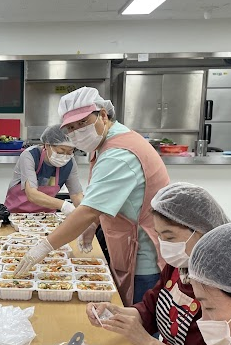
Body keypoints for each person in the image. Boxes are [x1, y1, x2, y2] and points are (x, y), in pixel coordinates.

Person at [15, 86, 170, 305]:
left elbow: (88, 210)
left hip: (144, 256)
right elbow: (107, 197)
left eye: (83, 123)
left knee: (138, 319)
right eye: (71, 128)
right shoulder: (110, 142)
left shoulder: (118, 154)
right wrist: (92, 225)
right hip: (129, 244)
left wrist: (44, 247)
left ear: (103, 115)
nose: (77, 131)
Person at [87, 183, 231, 345]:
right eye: (160, 236)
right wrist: (116, 313)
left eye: (170, 237)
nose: (164, 245)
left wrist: (147, 342)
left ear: (203, 231)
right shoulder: (179, 267)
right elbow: (150, 307)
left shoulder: (223, 291)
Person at [4, 125, 83, 214]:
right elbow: (32, 194)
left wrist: (84, 212)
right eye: (60, 152)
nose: (64, 156)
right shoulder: (30, 155)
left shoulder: (70, 163)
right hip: (17, 214)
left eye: (69, 152)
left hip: (47, 217)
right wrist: (63, 205)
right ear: (47, 145)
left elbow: (76, 194)